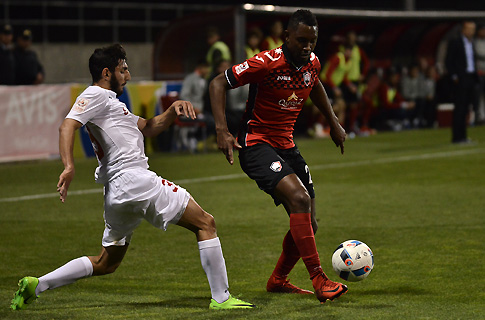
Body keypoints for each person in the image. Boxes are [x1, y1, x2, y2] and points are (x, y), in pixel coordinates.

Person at [11, 44, 255, 311]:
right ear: (106, 73)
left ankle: (38, 284)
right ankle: (221, 298)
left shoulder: (112, 104)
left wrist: (172, 111)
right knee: (206, 223)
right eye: (123, 69)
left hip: (117, 191)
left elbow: (149, 128)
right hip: (134, 180)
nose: (128, 76)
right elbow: (67, 125)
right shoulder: (95, 95)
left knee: (107, 263)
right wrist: (69, 166)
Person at [209, 10, 347, 304]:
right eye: (301, 40)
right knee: (299, 199)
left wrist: (333, 122)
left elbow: (315, 83)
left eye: (312, 41)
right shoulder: (266, 62)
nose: (307, 47)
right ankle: (319, 280)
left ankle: (278, 280)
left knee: (310, 222)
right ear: (287, 37)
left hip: (286, 145)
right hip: (256, 144)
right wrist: (222, 130)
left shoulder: (311, 63)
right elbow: (218, 83)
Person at [445, 21, 479, 143]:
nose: (471, 32)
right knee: (459, 108)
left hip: (471, 77)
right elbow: (449, 61)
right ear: (463, 30)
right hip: (461, 78)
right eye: (469, 29)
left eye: (473, 29)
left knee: (466, 108)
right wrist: (455, 77)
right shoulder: (455, 42)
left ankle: (463, 136)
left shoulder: (471, 43)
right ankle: (457, 137)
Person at [474, 24, 485, 125]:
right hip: (480, 73)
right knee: (479, 95)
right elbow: (480, 53)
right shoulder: (475, 42)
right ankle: (480, 116)